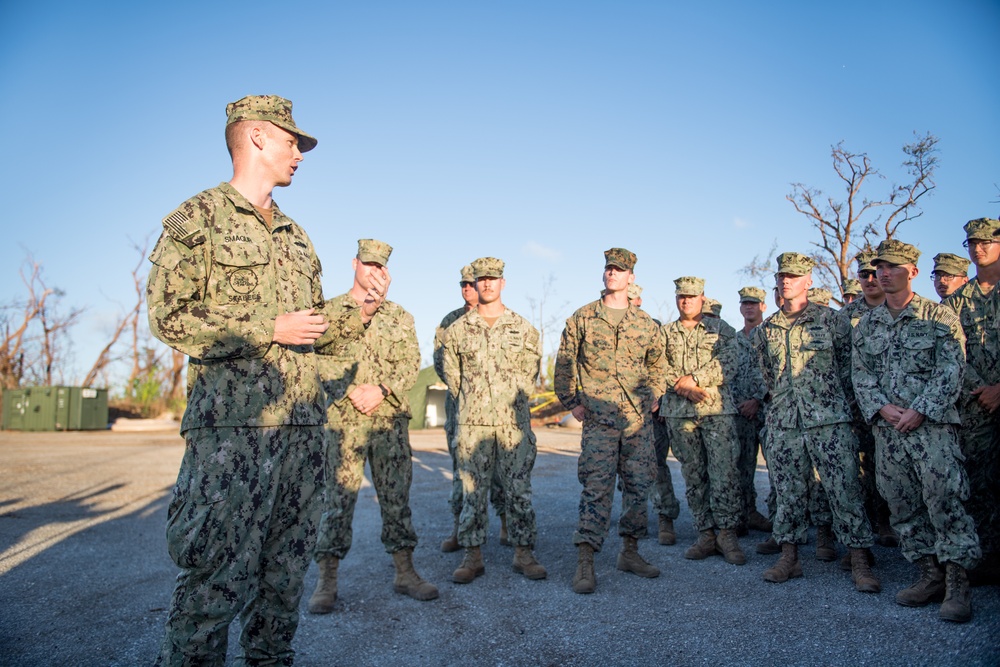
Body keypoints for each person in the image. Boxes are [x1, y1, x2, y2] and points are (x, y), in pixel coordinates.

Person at [147, 95, 388, 665]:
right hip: (235, 434)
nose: (300, 154)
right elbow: (169, 316)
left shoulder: (297, 238)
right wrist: (266, 327)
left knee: (284, 575)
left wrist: (357, 303)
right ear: (255, 137)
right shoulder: (200, 218)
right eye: (291, 141)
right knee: (214, 575)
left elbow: (311, 331)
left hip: (303, 434)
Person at [852, 239, 980, 622]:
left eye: (893, 266)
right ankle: (930, 574)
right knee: (902, 502)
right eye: (879, 267)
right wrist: (883, 408)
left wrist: (921, 410)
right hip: (890, 431)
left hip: (932, 429)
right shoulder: (867, 324)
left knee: (945, 497)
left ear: (913, 272)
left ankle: (958, 582)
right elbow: (861, 374)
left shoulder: (938, 317)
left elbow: (952, 368)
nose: (884, 273)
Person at [308, 239, 437, 615]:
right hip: (343, 420)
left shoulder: (400, 316)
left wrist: (380, 389)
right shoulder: (328, 311)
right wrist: (350, 389)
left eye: (381, 267)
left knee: (397, 498)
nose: (374, 272)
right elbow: (314, 359)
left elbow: (410, 363)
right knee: (337, 500)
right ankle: (326, 580)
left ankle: (405, 572)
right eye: (368, 264)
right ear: (354, 264)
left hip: (388, 422)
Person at [752, 252, 879, 594]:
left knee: (844, 489)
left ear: (809, 281)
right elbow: (767, 375)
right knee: (789, 491)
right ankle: (789, 557)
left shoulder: (832, 321)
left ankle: (859, 560)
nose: (786, 281)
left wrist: (843, 412)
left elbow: (851, 369)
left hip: (830, 422)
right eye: (782, 276)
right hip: (785, 423)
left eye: (794, 276)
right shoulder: (767, 330)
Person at [555, 248, 665, 594]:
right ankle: (585, 561)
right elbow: (565, 362)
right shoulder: (583, 318)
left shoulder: (646, 324)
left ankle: (630, 552)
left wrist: (654, 395)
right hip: (599, 421)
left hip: (636, 422)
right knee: (596, 488)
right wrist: (571, 400)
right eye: (609, 269)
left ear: (631, 277)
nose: (613, 274)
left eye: (620, 270)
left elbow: (658, 365)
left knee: (638, 486)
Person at [442, 257, 547, 584]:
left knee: (518, 490)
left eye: (493, 278)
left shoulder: (523, 329)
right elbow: (452, 379)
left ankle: (523, 553)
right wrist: (475, 407)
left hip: (512, 426)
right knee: (472, 491)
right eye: (481, 279)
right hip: (473, 425)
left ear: (502, 283)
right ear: (474, 285)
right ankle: (472, 556)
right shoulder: (457, 330)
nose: (486, 284)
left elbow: (530, 378)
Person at [660, 278, 745, 565]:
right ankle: (706, 533)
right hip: (679, 413)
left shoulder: (721, 330)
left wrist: (697, 379)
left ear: (702, 298)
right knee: (694, 475)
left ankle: (727, 533)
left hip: (716, 412)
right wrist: (682, 387)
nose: (686, 301)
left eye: (692, 296)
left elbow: (730, 361)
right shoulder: (664, 333)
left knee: (724, 473)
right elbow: (655, 366)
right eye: (681, 296)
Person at [434, 265, 507, 552]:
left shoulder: (502, 320)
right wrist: (467, 393)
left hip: (498, 411)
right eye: (462, 284)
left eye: (470, 284)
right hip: (461, 409)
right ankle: (459, 528)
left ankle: (504, 523)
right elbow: (442, 364)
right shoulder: (450, 322)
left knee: (501, 471)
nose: (467, 289)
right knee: (461, 472)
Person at [944, 217, 1000, 584]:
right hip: (975, 404)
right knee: (977, 483)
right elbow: (951, 352)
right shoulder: (956, 301)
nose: (978, 248)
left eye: (986, 241)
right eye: (972, 243)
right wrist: (984, 390)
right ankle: (985, 558)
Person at [839, 250, 896, 551]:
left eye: (875, 274)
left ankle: (885, 520)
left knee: (884, 467)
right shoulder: (844, 317)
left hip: (890, 405)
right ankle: (857, 530)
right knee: (851, 468)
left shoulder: (899, 308)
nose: (871, 279)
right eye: (865, 274)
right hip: (852, 406)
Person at [631, 283, 682, 546]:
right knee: (628, 469)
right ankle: (634, 520)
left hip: (652, 412)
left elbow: (664, 366)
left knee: (656, 465)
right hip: (623, 413)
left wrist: (662, 399)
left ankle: (665, 517)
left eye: (633, 296)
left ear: (639, 299)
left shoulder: (654, 327)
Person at [734, 287, 772, 535]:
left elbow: (777, 370)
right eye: (745, 303)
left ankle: (781, 517)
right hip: (741, 414)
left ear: (763, 306)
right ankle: (746, 514)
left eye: (754, 303)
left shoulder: (772, 334)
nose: (749, 307)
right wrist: (740, 402)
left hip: (768, 411)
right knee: (743, 467)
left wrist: (758, 398)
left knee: (777, 468)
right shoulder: (733, 339)